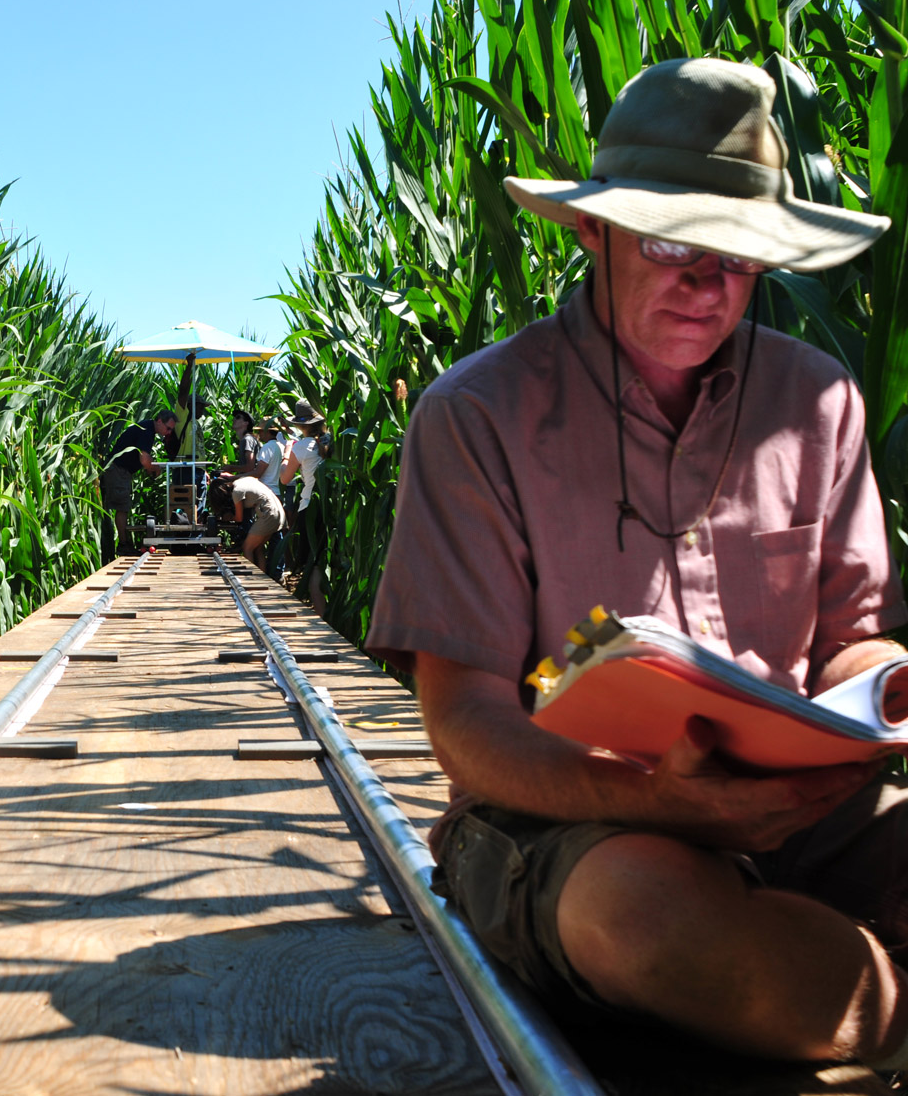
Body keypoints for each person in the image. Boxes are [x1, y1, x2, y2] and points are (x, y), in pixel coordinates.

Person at [366, 58, 908, 1069]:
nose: (708, 285)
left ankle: (809, 982)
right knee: (642, 921)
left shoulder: (820, 401)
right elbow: (468, 725)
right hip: (569, 816)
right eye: (673, 245)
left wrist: (865, 702)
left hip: (797, 801)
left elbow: (853, 640)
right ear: (592, 229)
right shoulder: (479, 418)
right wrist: (652, 797)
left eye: (740, 257)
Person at [99, 409, 177, 563]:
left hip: (121, 471)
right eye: (168, 428)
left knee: (124, 506)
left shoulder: (147, 428)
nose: (168, 432)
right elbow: (144, 459)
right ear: (159, 420)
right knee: (122, 507)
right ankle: (123, 545)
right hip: (118, 470)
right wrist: (155, 469)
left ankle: (124, 543)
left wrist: (150, 467)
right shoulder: (147, 431)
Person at [280, 399, 332, 616]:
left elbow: (285, 478)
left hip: (310, 508)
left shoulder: (301, 446)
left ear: (301, 425)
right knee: (325, 561)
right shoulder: (332, 441)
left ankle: (320, 617)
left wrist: (286, 453)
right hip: (330, 507)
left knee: (313, 565)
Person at [207, 474, 287, 573]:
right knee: (258, 549)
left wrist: (228, 517)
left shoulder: (237, 492)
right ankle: (261, 578)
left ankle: (251, 578)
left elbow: (239, 518)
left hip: (268, 515)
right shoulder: (245, 480)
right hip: (278, 513)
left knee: (247, 548)